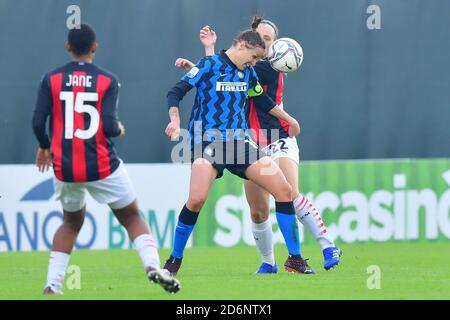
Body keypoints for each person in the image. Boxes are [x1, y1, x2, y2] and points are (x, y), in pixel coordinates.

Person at [177, 19, 342, 273]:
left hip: (277, 138)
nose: (263, 48)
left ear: (276, 46)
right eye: (261, 39)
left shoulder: (267, 67)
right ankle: (269, 263)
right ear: (251, 42)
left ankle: (326, 246)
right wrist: (201, 66)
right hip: (247, 141)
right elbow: (221, 73)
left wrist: (202, 64)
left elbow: (226, 70)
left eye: (268, 40)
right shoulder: (248, 64)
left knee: (289, 193)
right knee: (257, 211)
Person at [32, 23, 180, 294]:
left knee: (71, 222)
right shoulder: (108, 80)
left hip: (65, 168)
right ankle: (151, 267)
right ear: (94, 48)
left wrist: (44, 146)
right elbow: (110, 127)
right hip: (102, 165)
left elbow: (37, 121)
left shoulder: (50, 79)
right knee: (132, 217)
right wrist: (119, 129)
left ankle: (52, 284)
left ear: (67, 47)